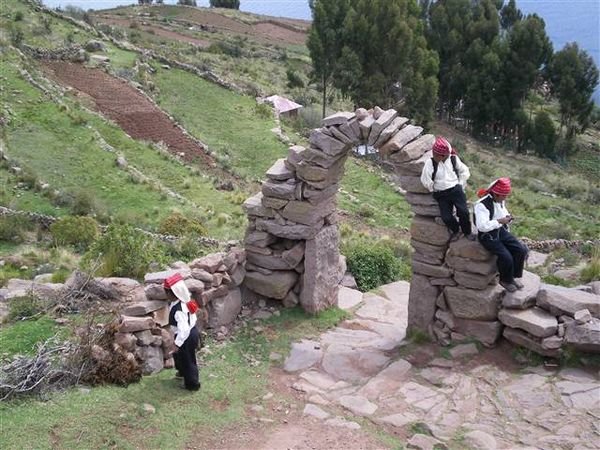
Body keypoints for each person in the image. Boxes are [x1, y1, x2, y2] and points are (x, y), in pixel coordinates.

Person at [474, 177, 528, 293]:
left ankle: (513, 277)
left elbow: (503, 213)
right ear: (496, 194)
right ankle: (505, 280)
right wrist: (499, 221)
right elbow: (482, 226)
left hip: (500, 230)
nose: (505, 198)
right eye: (504, 196)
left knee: (520, 250)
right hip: (488, 235)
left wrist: (508, 218)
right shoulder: (481, 205)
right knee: (506, 256)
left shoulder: (499, 201)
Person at [420, 136, 474, 241]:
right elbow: (425, 179)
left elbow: (465, 171)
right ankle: (456, 230)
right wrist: (433, 188)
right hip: (441, 194)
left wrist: (460, 184)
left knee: (463, 212)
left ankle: (467, 232)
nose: (434, 155)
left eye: (436, 154)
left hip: (455, 189)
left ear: (444, 155)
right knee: (446, 217)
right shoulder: (430, 163)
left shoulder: (453, 159)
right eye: (434, 153)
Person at [164, 273, 201, 391]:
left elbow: (184, 329)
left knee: (188, 360)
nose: (166, 295)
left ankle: (192, 384)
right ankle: (181, 372)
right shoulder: (185, 301)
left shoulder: (179, 310)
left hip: (186, 337)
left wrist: (177, 343)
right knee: (179, 356)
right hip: (190, 332)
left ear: (174, 293)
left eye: (167, 293)